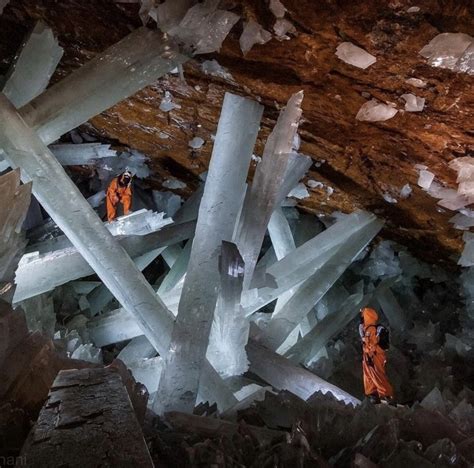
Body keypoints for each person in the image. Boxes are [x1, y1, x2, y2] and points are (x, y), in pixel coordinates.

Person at [359, 307, 394, 404]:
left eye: (363, 316)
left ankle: (386, 396)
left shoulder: (371, 329)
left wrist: (364, 341)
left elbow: (371, 345)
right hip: (369, 357)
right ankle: (373, 395)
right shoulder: (368, 329)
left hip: (374, 357)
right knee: (369, 377)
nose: (361, 318)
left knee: (377, 376)